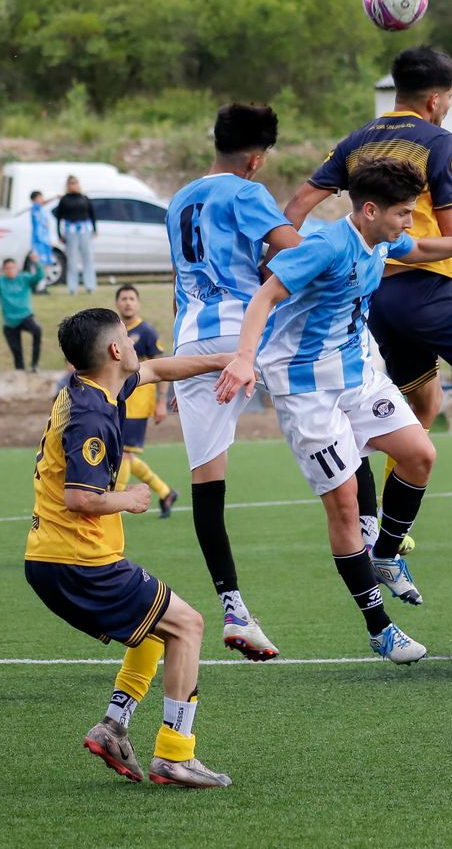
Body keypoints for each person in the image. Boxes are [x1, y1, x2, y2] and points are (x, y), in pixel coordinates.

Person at [216, 159, 452, 663]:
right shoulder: (326, 246)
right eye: (403, 212)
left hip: (357, 375)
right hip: (306, 389)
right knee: (345, 506)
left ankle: (386, 555)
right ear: (370, 209)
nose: (408, 221)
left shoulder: (382, 237)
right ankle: (379, 627)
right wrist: (245, 358)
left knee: (419, 454)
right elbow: (266, 295)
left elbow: (419, 248)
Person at [284, 46, 452, 533]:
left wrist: (294, 265)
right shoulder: (437, 140)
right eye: (449, 97)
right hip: (423, 287)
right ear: (433, 99)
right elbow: (451, 225)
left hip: (374, 299)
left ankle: (387, 527)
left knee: (422, 406)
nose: (448, 106)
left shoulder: (357, 140)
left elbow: (297, 206)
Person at [24, 307, 234, 789]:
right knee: (188, 625)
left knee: (154, 633)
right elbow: (79, 497)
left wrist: (224, 359)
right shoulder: (93, 414)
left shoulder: (92, 387)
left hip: (55, 558)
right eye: (128, 339)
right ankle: (175, 755)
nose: (137, 347)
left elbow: (159, 370)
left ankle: (114, 726)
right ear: (116, 350)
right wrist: (131, 498)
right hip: (78, 561)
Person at [166, 102, 301, 661]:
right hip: (246, 335)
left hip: (190, 340)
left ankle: (234, 607)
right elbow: (297, 255)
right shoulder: (246, 192)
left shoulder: (178, 200)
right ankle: (376, 532)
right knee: (342, 392)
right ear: (255, 157)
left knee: (207, 483)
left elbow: (182, 277)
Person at [113, 284, 179, 517]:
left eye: (132, 298)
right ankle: (165, 492)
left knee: (123, 454)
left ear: (138, 303)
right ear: (117, 303)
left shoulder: (147, 332)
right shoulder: (113, 333)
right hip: (118, 402)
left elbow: (162, 369)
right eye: (124, 298)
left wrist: (161, 400)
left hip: (138, 404)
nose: (128, 302)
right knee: (123, 454)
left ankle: (115, 504)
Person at [0, 253, 45, 372]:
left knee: (37, 330)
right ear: (4, 270)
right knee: (17, 351)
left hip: (25, 316)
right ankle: (20, 370)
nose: (10, 270)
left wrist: (36, 262)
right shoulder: (0, 282)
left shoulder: (24, 278)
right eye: (7, 268)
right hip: (10, 321)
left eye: (12, 268)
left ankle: (35, 364)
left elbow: (39, 276)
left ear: (17, 268)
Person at [53, 176, 97, 295]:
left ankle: (90, 285)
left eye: (75, 183)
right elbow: (59, 218)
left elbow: (92, 214)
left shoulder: (84, 198)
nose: (74, 185)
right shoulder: (64, 200)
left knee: (88, 258)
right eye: (71, 183)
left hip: (85, 230)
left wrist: (94, 229)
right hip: (71, 231)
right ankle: (73, 287)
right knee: (72, 260)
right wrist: (59, 233)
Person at [29, 191, 54, 293]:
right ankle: (37, 286)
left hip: (45, 241)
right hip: (38, 242)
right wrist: (55, 197)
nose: (42, 200)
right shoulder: (35, 208)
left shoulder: (42, 210)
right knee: (38, 264)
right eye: (40, 197)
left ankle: (42, 286)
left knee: (46, 264)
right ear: (35, 199)